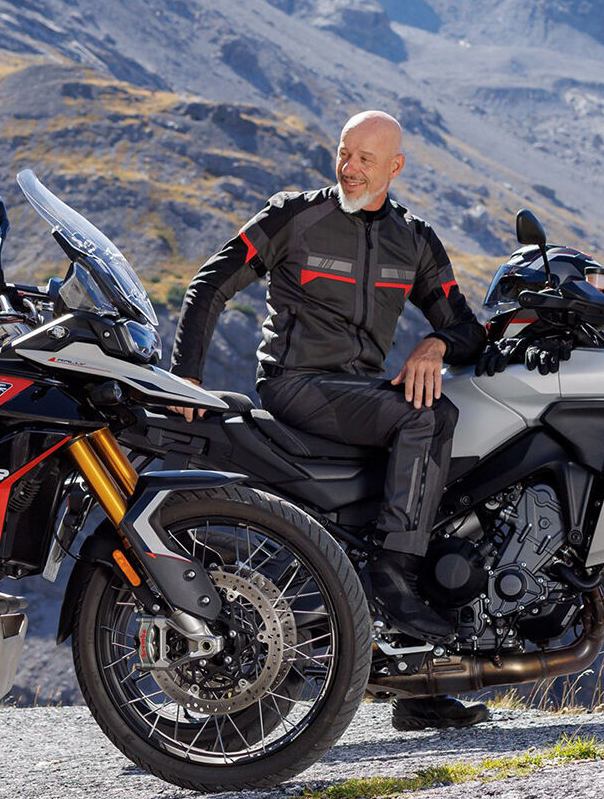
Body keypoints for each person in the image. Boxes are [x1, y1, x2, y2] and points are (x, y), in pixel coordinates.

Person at [170, 109, 490, 731]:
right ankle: (394, 578)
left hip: (360, 389)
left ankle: (419, 687)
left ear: (395, 167)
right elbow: (210, 284)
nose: (349, 168)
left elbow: (464, 327)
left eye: (365, 159)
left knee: (442, 492)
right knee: (428, 419)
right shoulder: (295, 217)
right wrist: (188, 376)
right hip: (296, 384)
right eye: (344, 153)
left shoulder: (413, 240)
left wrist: (436, 345)